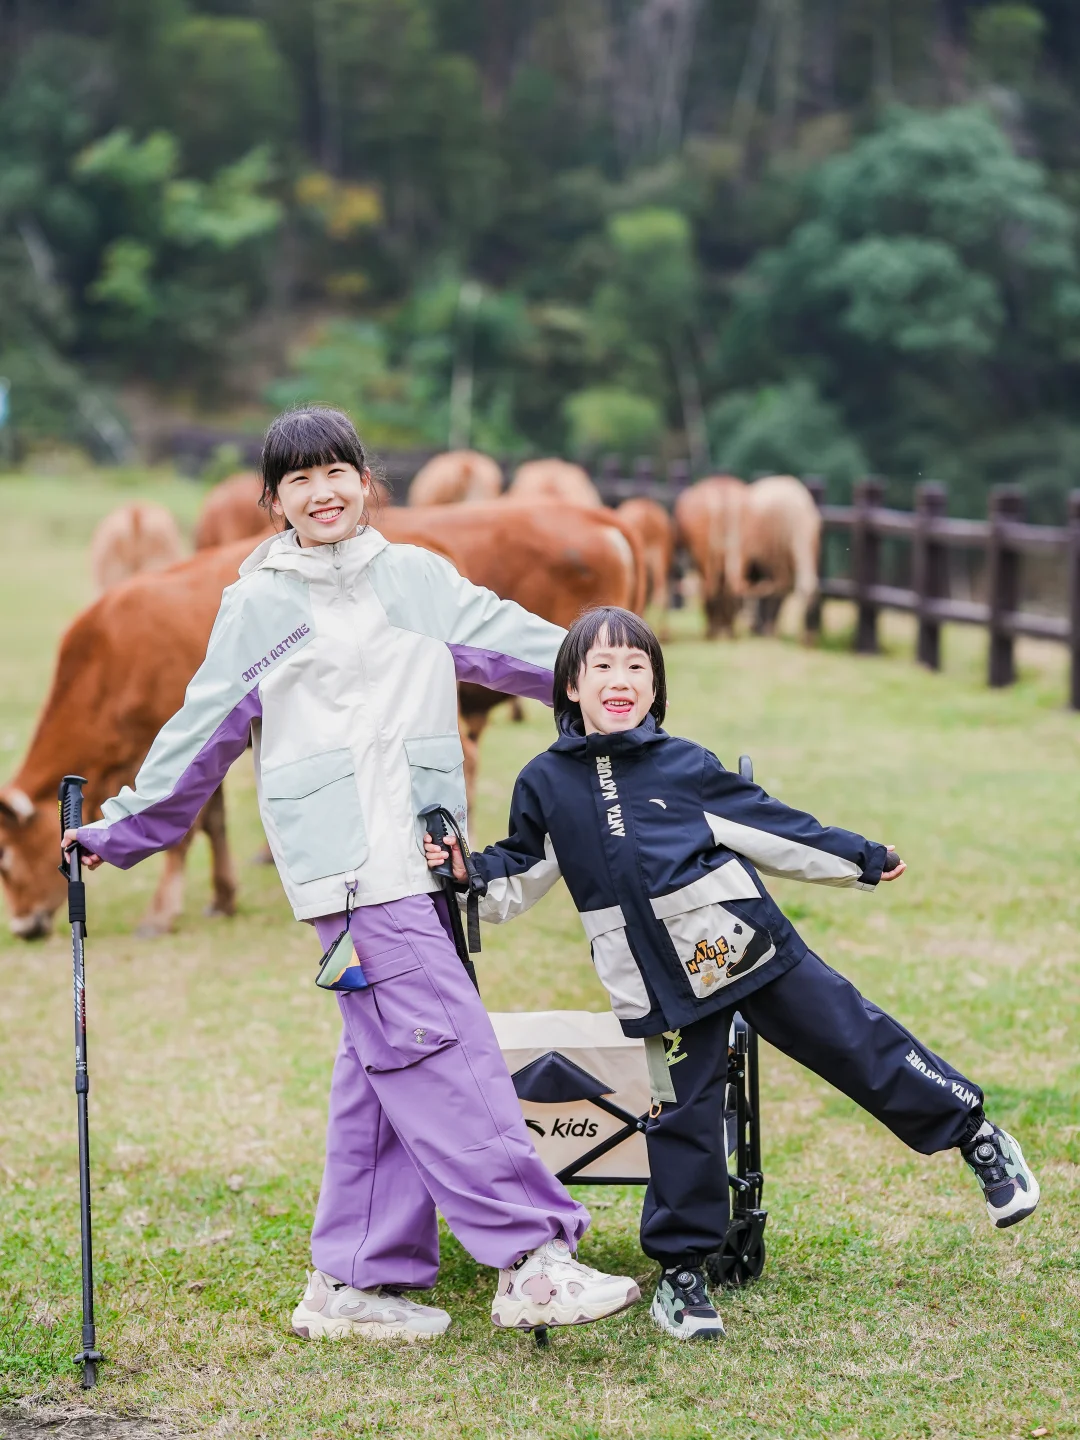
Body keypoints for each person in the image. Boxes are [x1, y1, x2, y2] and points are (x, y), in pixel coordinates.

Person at [63, 408, 639, 1342]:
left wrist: (612, 675)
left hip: (424, 855)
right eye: (298, 479)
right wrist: (123, 828)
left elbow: (518, 644)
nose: (321, 491)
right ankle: (534, 1262)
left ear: (367, 480)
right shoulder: (260, 604)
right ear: (273, 500)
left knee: (387, 1066)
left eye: (336, 471)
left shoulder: (413, 577)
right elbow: (203, 730)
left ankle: (351, 1281)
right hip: (350, 870)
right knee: (446, 1056)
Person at [425, 605, 1041, 1343]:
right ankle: (683, 1277)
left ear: (656, 686)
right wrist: (467, 875)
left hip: (745, 950)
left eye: (637, 667)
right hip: (657, 986)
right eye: (603, 667)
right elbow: (517, 872)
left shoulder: (683, 764)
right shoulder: (545, 783)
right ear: (570, 685)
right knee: (683, 1119)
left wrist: (861, 858)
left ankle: (975, 1133)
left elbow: (772, 826)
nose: (620, 680)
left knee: (853, 1039)